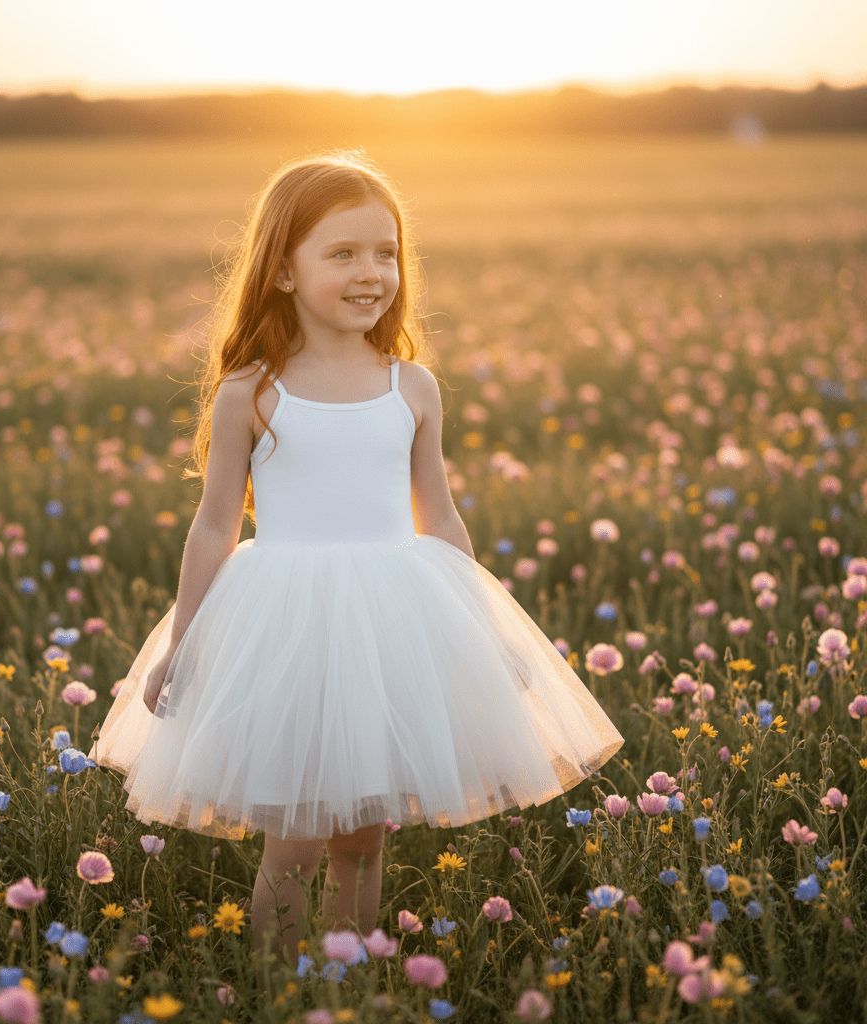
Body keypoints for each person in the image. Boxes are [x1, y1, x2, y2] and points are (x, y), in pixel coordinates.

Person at [89, 150, 624, 965]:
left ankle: (349, 978)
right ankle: (281, 982)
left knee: (365, 840)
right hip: (285, 624)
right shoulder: (252, 392)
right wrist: (184, 645)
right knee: (297, 840)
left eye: (386, 251)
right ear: (282, 271)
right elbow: (212, 528)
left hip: (394, 620)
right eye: (342, 253)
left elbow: (438, 515)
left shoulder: (412, 386)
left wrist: (490, 635)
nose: (371, 271)